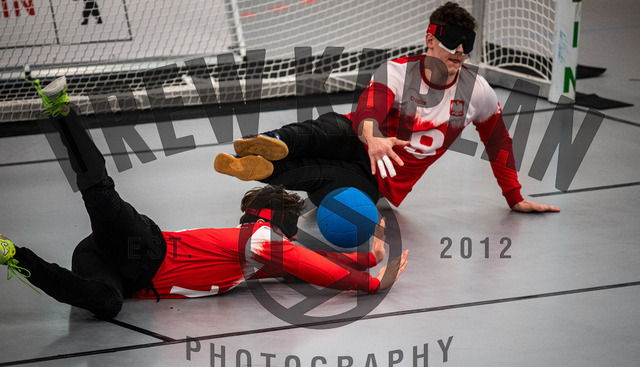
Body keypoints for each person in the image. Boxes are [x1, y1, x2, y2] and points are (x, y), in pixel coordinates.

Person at [1, 77, 409, 320]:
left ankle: (14, 255)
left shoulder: (253, 257)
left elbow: (301, 267)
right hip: (139, 247)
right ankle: (61, 110)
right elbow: (306, 265)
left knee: (106, 304)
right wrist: (372, 282)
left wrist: (363, 258)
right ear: (278, 223)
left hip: (120, 273)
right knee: (100, 194)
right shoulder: (259, 242)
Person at [214, 1, 560, 213]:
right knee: (329, 130)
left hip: (378, 179)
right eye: (451, 42)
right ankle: (271, 140)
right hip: (358, 139)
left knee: (319, 174)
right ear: (430, 39)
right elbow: (369, 110)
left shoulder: (477, 91)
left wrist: (514, 196)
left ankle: (259, 169)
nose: (458, 51)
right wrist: (373, 137)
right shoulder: (397, 72)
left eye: (465, 45)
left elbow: (498, 143)